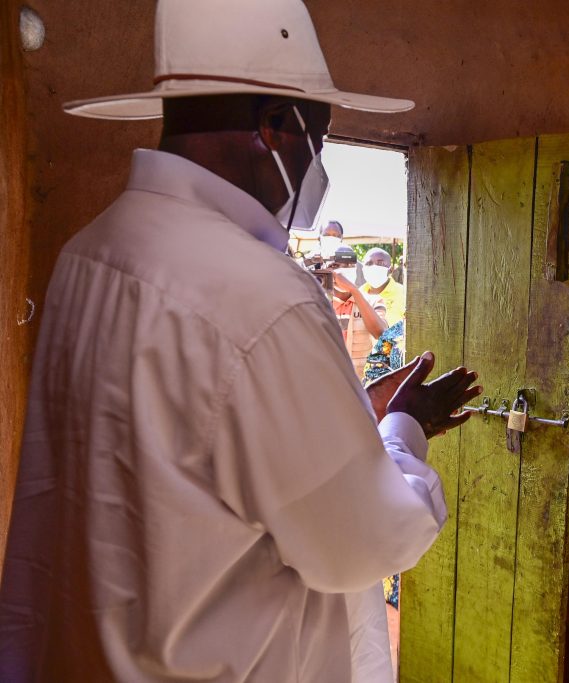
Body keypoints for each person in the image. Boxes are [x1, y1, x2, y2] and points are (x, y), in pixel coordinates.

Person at [0, 1, 482, 682]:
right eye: (319, 133)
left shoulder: (88, 255)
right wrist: (404, 425)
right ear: (276, 127)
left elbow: (182, 451)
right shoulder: (264, 297)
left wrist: (348, 415)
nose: (318, 159)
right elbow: (365, 539)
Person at [361, 247, 406, 328]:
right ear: (363, 268)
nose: (374, 267)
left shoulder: (404, 294)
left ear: (390, 270)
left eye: (380, 263)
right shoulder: (358, 294)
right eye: (369, 263)